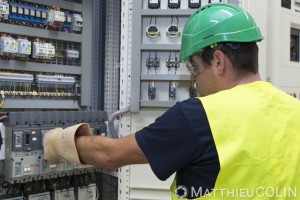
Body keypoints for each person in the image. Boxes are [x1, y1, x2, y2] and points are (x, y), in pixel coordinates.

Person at [44, 3, 300, 199]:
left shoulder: (200, 116)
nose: (193, 77)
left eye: (194, 66)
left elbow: (109, 154)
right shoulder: (294, 110)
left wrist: (57, 140)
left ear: (219, 62)